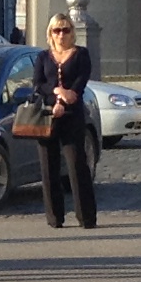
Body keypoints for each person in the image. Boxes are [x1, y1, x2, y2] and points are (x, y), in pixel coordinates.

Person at [36, 13, 97, 229]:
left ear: (72, 32)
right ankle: (54, 217)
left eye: (65, 30)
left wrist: (65, 98)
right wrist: (55, 93)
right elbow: (38, 84)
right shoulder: (43, 57)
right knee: (48, 167)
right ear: (50, 34)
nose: (61, 34)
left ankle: (86, 216)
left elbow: (80, 83)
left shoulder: (81, 54)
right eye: (56, 30)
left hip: (72, 116)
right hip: (48, 116)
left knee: (77, 165)